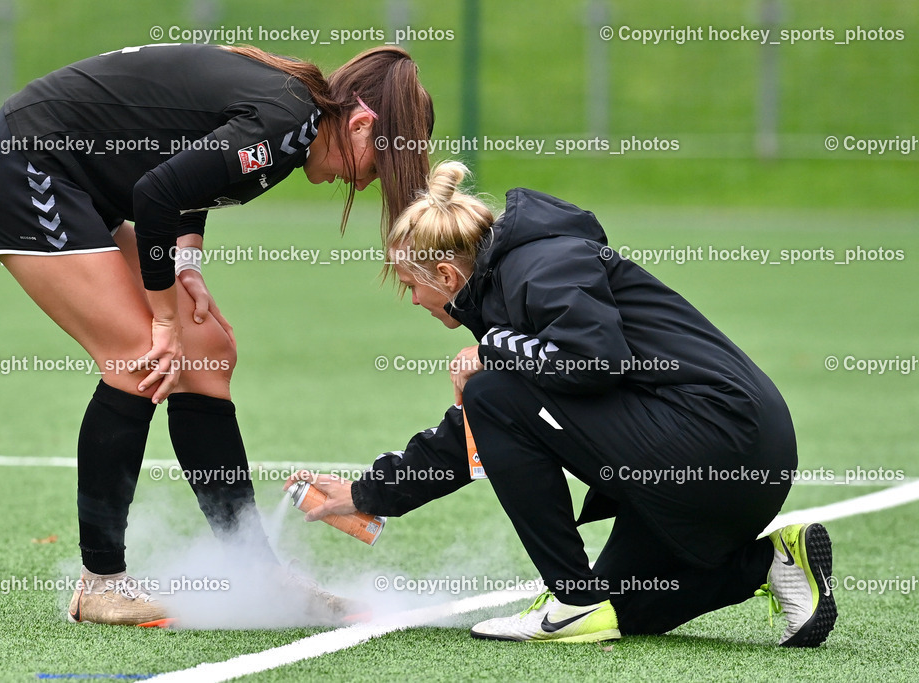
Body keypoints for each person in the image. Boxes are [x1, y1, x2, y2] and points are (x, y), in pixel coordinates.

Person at [0, 43, 434, 625]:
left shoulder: (293, 118)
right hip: (22, 166)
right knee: (139, 358)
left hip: (74, 180)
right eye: (374, 166)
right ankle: (100, 582)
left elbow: (186, 172)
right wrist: (162, 321)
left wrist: (186, 267)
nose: (361, 185)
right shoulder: (288, 122)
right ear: (361, 123)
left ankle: (258, 572)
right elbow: (156, 194)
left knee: (207, 351)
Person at [286, 161, 837, 647]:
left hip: (723, 441)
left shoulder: (541, 265)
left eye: (411, 284)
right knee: (624, 609)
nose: (413, 299)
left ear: (449, 276)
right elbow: (479, 429)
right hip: (721, 460)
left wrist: (492, 346)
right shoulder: (507, 285)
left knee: (489, 392)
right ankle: (770, 562)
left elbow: (595, 362)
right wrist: (367, 492)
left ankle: (572, 598)